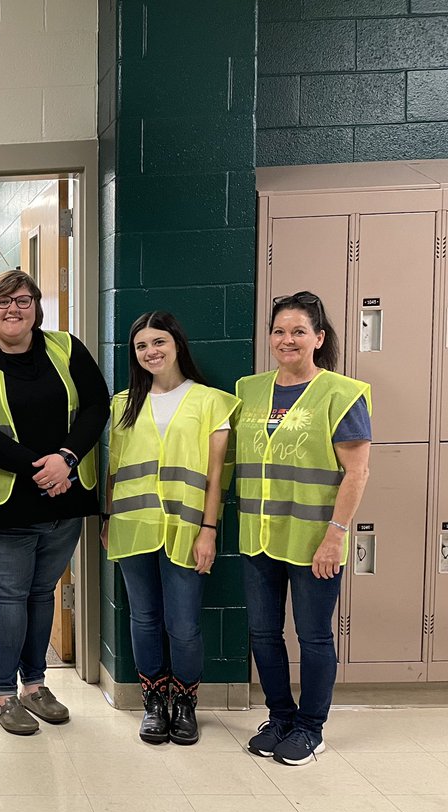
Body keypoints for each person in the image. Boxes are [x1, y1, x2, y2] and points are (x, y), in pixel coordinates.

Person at [0, 270, 108, 736]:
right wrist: (40, 469)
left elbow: (96, 405)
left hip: (66, 498)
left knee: (41, 595)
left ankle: (34, 686)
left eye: (22, 300)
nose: (12, 309)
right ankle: (3, 694)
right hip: (5, 504)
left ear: (37, 307)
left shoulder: (67, 349)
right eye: (2, 301)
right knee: (7, 596)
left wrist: (66, 459)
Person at [237, 291, 371, 766]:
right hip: (258, 537)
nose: (286, 340)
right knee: (263, 634)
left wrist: (335, 535)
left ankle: (310, 728)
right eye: (278, 331)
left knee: (313, 636)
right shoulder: (248, 390)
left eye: (297, 331)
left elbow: (356, 473)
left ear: (318, 337)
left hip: (316, 539)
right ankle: (280, 717)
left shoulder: (342, 393)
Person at [102, 312, 239, 745]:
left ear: (177, 343)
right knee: (143, 619)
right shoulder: (123, 402)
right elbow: (115, 469)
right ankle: (153, 703)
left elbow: (216, 476)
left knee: (183, 624)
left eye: (158, 342)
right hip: (132, 525)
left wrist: (209, 530)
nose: (151, 352)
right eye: (141, 346)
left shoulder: (210, 401)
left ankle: (184, 703)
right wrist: (107, 519)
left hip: (186, 527)